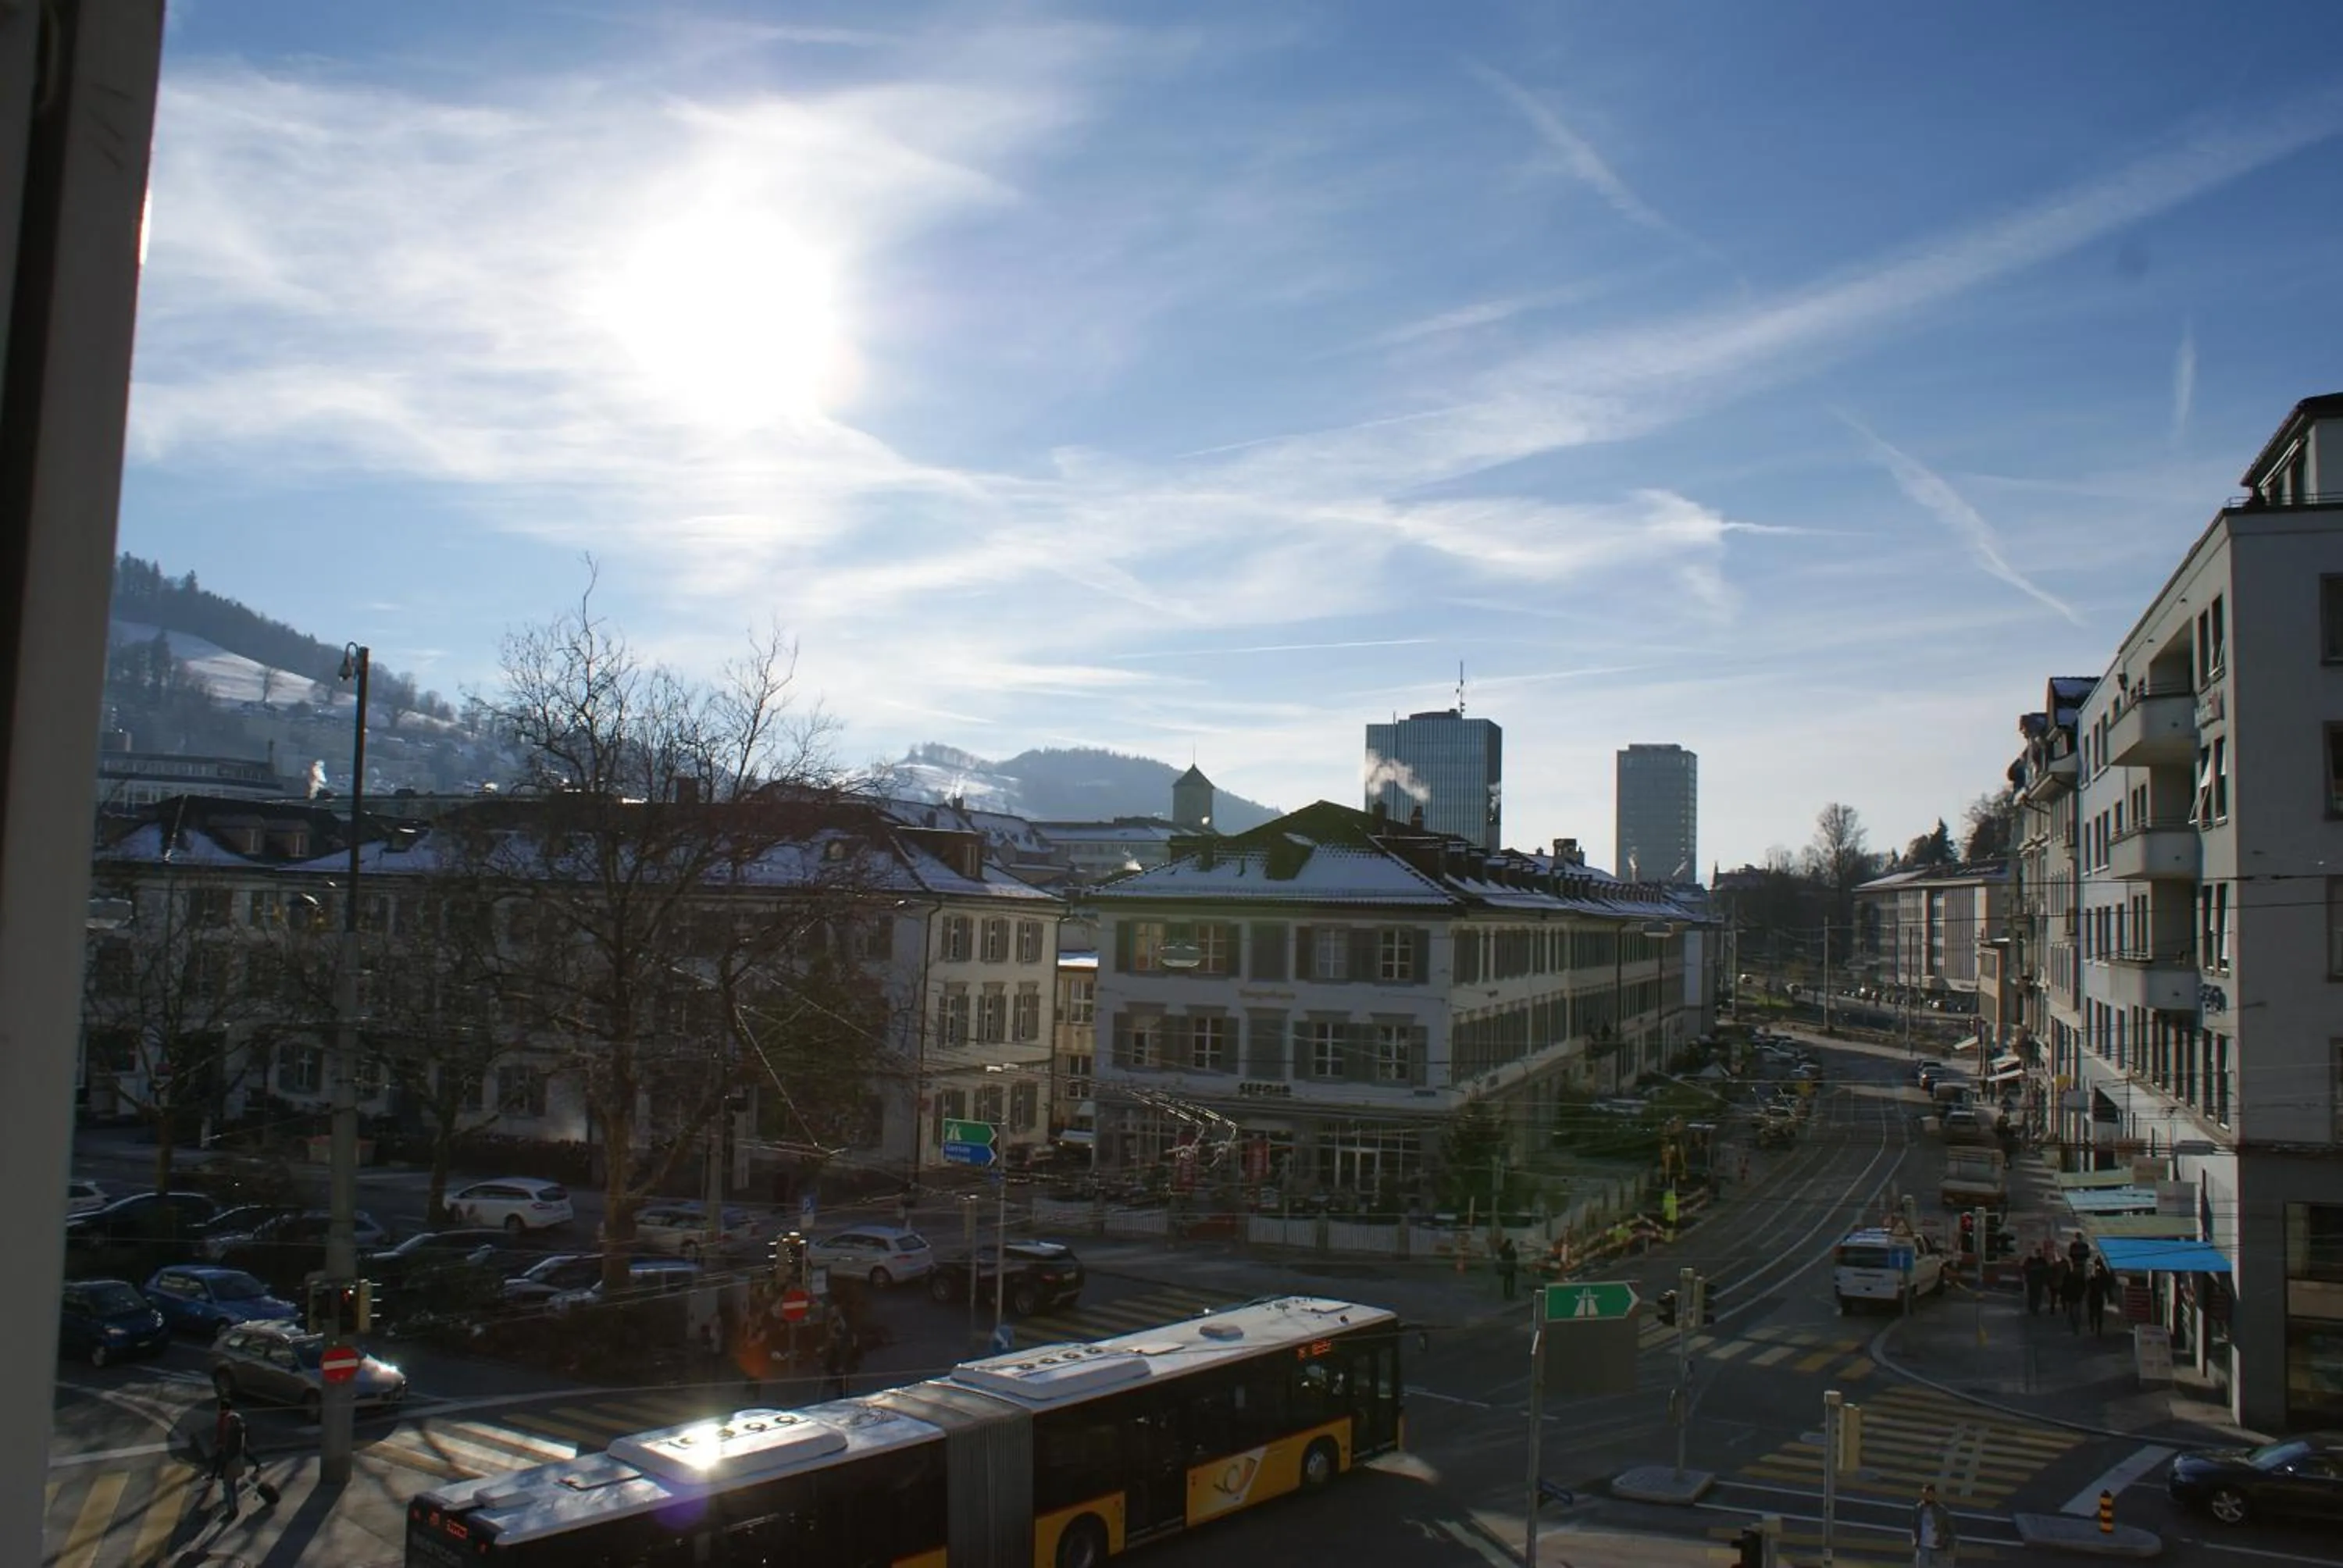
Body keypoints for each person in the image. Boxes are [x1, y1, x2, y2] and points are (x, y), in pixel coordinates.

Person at [196, 1396, 249, 1518]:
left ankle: (232, 1509)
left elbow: (226, 1453)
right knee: (233, 1486)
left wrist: (223, 1465)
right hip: (238, 1461)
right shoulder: (240, 1432)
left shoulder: (230, 1437)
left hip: (230, 1462)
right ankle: (231, 1503)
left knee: (228, 1486)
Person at [1912, 1481, 1959, 1566]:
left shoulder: (1942, 1510)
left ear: (1934, 1495)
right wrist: (1915, 1540)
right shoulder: (1918, 1508)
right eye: (1926, 1494)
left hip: (1938, 1547)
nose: (1928, 1496)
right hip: (1923, 1546)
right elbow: (1915, 1526)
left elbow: (1951, 1530)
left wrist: (1950, 1547)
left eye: (1931, 1494)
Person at [2087, 1260, 2114, 1336]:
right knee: (2097, 1313)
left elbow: (2088, 1283)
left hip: (2094, 1296)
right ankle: (2096, 1327)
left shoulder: (2096, 1274)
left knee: (2095, 1313)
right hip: (2097, 1296)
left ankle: (2095, 1327)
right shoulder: (2102, 1273)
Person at [2021, 1249, 2048, 1317]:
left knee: (2032, 1294)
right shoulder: (2042, 1261)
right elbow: (2046, 1271)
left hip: (2032, 1281)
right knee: (2037, 1295)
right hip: (2038, 1281)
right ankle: (2035, 1308)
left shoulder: (2030, 1260)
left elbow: (2024, 1269)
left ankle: (2032, 1307)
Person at [1496, 1237, 1519, 1301]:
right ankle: (1510, 1293)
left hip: (1506, 1267)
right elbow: (1514, 1256)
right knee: (1511, 1281)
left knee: (1507, 1281)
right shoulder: (1509, 1250)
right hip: (1510, 1267)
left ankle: (1507, 1293)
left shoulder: (1503, 1249)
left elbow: (1500, 1255)